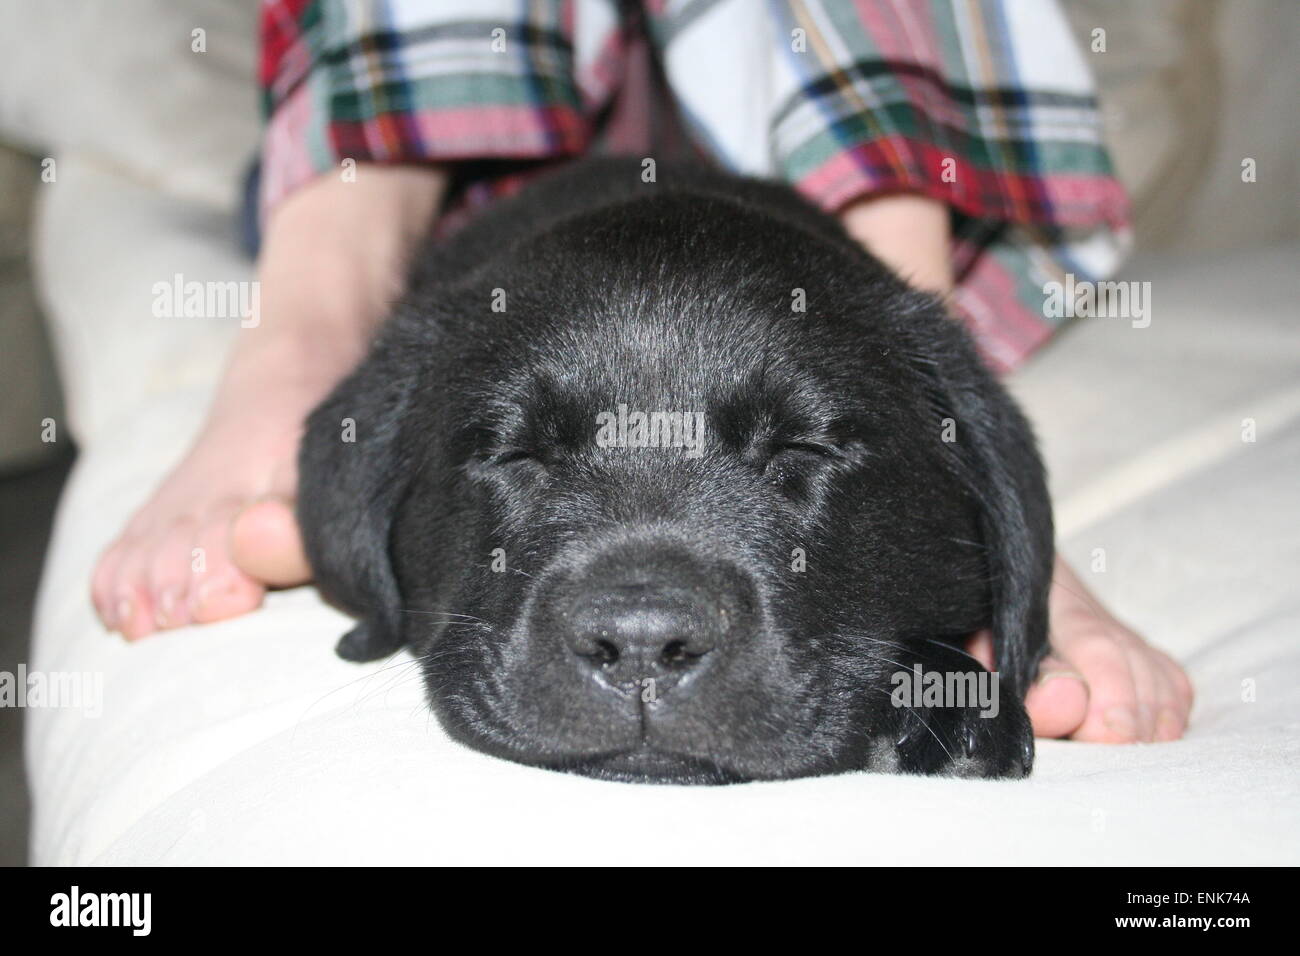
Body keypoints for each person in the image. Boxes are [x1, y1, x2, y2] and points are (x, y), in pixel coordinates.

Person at [91, 0, 1192, 744]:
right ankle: (320, 296)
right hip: (473, 171)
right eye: (516, 444)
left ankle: (906, 328)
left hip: (779, 125)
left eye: (809, 444)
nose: (642, 632)